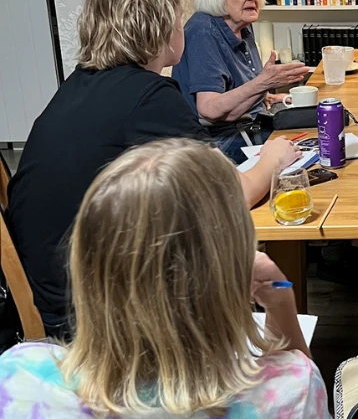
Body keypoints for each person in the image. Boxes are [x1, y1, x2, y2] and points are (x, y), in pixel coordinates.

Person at [5, 0, 301, 338]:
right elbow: (230, 195)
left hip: (49, 292)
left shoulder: (78, 85)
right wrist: (275, 158)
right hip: (93, 316)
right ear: (162, 25)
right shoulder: (151, 97)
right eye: (178, 16)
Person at [0, 139, 330, 417]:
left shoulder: (17, 375)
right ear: (229, 269)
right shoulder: (287, 391)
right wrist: (281, 304)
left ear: (88, 266)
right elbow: (300, 385)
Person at [172, 0, 310, 164]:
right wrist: (264, 82)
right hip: (217, 143)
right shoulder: (203, 31)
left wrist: (271, 97)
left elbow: (238, 97)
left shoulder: (242, 25)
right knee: (308, 148)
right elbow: (209, 109)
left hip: (248, 124)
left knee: (320, 124)